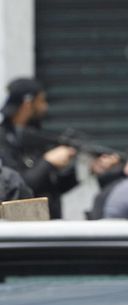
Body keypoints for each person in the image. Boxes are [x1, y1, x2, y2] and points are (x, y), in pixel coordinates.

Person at [0, 78, 120, 218]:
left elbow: (54, 187)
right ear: (27, 104)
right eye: (41, 101)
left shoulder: (34, 137)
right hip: (25, 229)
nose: (45, 107)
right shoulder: (4, 141)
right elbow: (17, 188)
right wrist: (48, 162)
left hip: (50, 224)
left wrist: (88, 169)